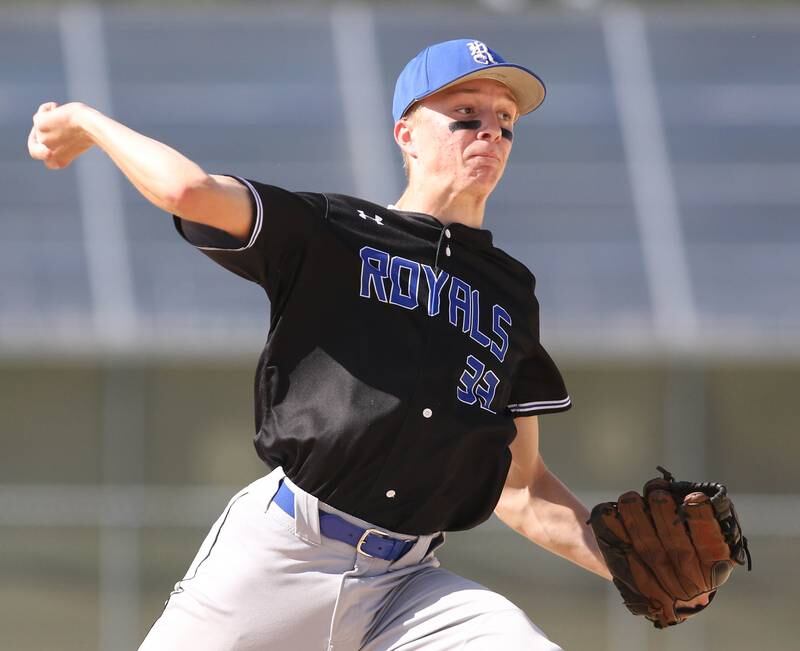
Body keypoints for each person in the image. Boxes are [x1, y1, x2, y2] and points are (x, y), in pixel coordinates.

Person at [29, 38, 615, 651]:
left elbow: (520, 487)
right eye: (466, 114)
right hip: (284, 555)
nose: (489, 133)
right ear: (406, 134)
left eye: (505, 121)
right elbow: (189, 193)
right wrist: (84, 121)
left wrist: (630, 568)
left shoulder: (510, 294)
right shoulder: (336, 235)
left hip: (408, 588)